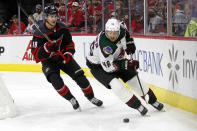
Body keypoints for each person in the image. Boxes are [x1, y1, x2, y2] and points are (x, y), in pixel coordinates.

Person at [31, 4, 103, 111]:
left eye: (55, 16)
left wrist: (68, 54)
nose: (54, 18)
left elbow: (69, 44)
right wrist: (47, 48)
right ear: (46, 17)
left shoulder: (63, 28)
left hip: (62, 57)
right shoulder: (38, 33)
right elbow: (36, 55)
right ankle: (71, 99)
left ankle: (91, 97)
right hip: (48, 62)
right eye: (51, 16)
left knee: (81, 78)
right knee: (56, 82)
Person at [86, 18, 164, 116]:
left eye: (115, 33)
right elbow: (108, 67)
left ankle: (153, 100)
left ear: (118, 30)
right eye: (110, 33)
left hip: (115, 59)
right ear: (106, 31)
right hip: (99, 66)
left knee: (133, 79)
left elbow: (125, 32)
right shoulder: (106, 46)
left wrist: (129, 42)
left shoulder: (122, 28)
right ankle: (137, 105)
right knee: (117, 86)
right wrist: (126, 64)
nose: (112, 36)